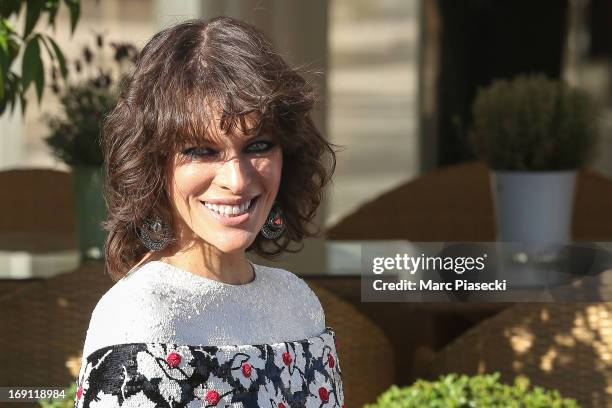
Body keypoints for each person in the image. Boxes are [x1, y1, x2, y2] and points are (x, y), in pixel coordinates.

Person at [74, 16, 344, 407]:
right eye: (201, 151)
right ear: (154, 165)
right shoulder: (141, 319)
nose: (237, 179)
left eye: (259, 146)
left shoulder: (298, 302)